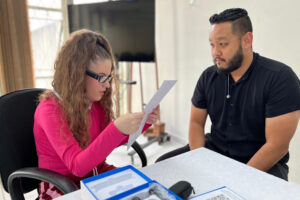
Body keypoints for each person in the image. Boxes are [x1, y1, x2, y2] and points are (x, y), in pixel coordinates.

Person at [158, 8, 300, 180]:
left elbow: (277, 146)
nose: (215, 53)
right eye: (212, 44)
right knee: (161, 166)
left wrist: (236, 179)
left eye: (222, 44)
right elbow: (196, 122)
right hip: (214, 150)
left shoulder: (280, 78)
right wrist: (198, 161)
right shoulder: (208, 77)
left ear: (247, 40)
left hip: (261, 162)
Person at [33, 29, 159, 199]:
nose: (107, 85)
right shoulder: (49, 110)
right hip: (61, 186)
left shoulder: (95, 103)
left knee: (146, 190)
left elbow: (107, 143)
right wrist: (116, 128)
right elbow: (77, 166)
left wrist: (143, 122)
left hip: (95, 174)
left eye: (109, 77)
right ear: (76, 74)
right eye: (101, 77)